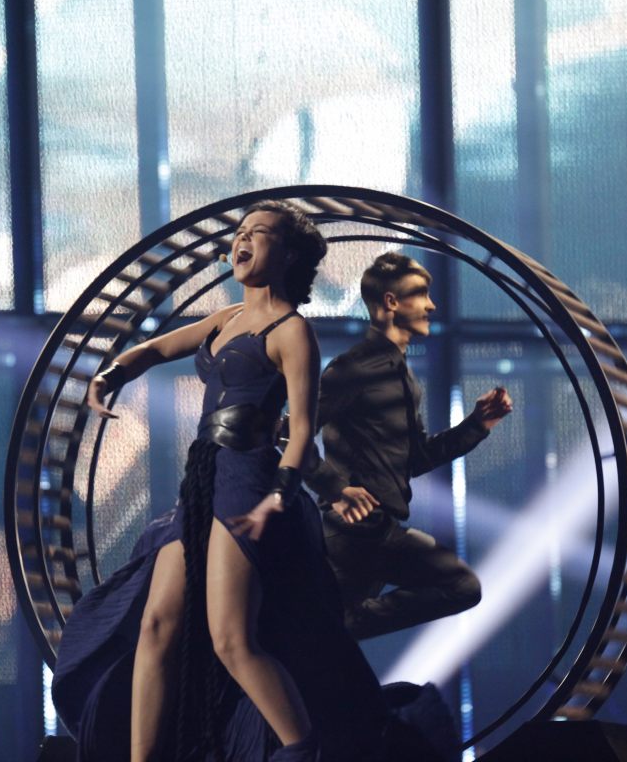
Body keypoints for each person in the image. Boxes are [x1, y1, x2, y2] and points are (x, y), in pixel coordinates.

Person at [51, 202, 394, 761]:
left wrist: (277, 498)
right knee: (156, 625)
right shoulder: (225, 318)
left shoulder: (292, 331)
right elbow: (155, 349)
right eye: (240, 232)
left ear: (287, 255)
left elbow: (302, 432)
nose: (242, 240)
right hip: (202, 480)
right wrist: (112, 373)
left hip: (247, 484)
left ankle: (301, 751)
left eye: (258, 233)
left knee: (232, 640)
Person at [305, 251, 513, 641]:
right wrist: (336, 491)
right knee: (461, 586)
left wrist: (478, 424)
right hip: (357, 534)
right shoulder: (353, 368)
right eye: (421, 294)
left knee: (325, 644)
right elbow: (289, 433)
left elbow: (416, 458)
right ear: (391, 302)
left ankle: (331, 629)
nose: (432, 305)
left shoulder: (402, 375)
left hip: (375, 530)